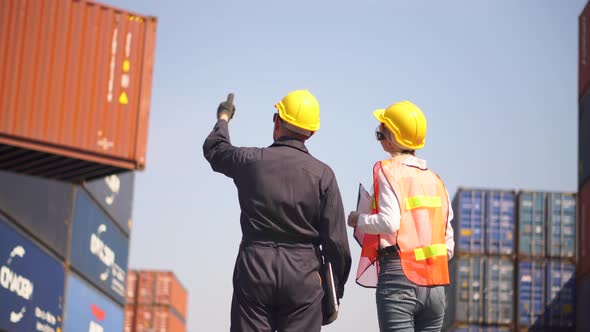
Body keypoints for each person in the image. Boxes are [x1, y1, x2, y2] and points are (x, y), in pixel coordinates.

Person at [203, 90, 352, 332]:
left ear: (277, 121)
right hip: (304, 275)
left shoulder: (250, 160)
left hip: (254, 269)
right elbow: (338, 245)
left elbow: (215, 149)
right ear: (312, 132)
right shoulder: (323, 175)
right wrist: (332, 290)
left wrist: (223, 117)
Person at [347, 100, 455, 332]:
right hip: (436, 284)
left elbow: (389, 222)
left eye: (380, 133)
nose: (380, 138)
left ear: (392, 138)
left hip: (399, 278)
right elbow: (448, 247)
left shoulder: (388, 170)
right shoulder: (437, 181)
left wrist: (358, 220)